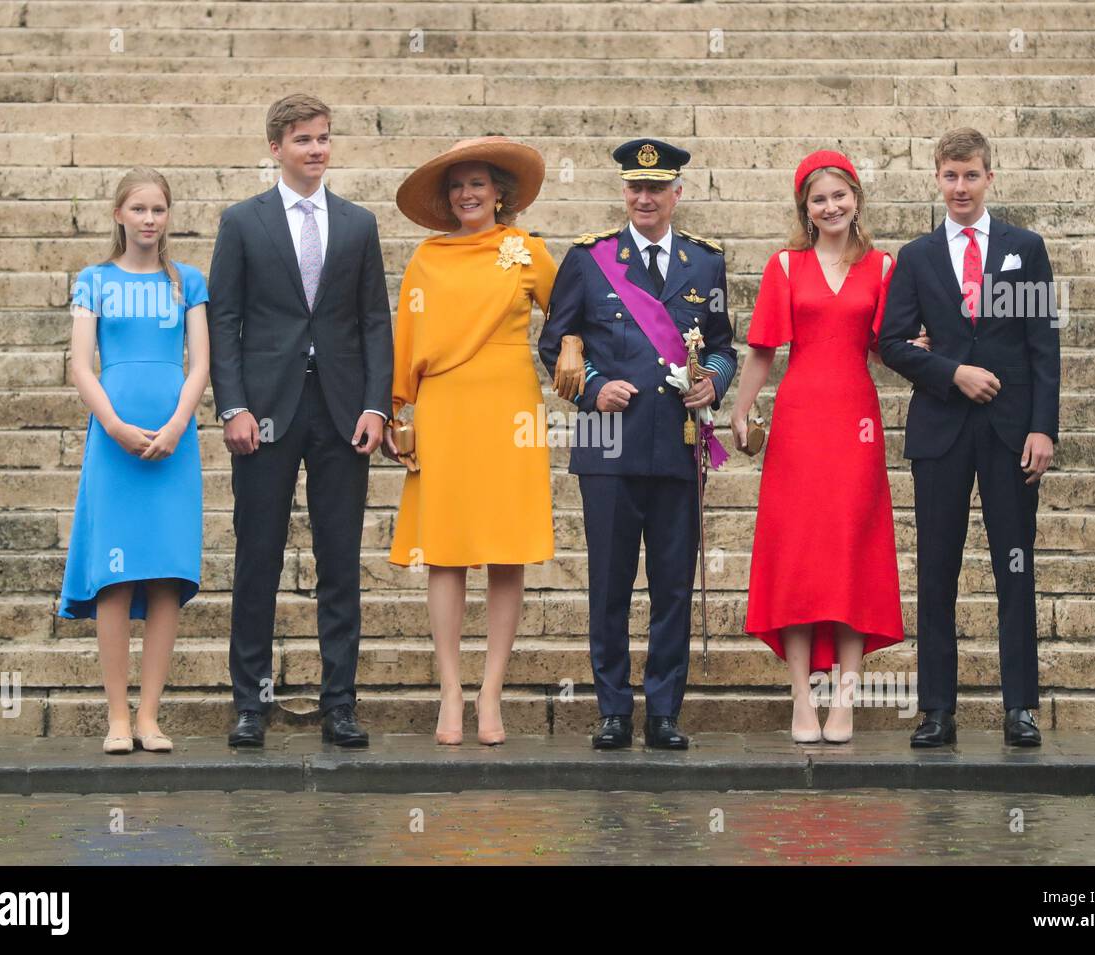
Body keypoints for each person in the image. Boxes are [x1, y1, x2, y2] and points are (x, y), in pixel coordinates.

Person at [207, 94, 394, 748]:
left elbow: (375, 320)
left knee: (339, 560)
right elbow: (222, 320)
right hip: (263, 412)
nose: (316, 149)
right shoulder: (242, 222)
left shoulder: (357, 223)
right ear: (276, 148)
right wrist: (232, 406)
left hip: (343, 412)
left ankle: (340, 703)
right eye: (303, 140)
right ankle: (250, 705)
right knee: (258, 556)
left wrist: (377, 403)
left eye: (323, 138)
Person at [538, 139, 737, 750]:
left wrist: (715, 384)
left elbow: (726, 345)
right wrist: (592, 387)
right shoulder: (590, 259)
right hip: (607, 443)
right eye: (635, 188)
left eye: (657, 188)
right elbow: (554, 343)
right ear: (624, 192)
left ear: (678, 193)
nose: (644, 198)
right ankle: (614, 710)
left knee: (673, 584)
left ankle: (666, 711)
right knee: (611, 582)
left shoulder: (705, 264)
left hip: (676, 443)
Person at [879, 128, 1060, 748]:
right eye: (950, 176)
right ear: (937, 178)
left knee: (1015, 565)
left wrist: (1043, 426)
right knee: (937, 570)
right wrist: (951, 372)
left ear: (989, 178)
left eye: (971, 175)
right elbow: (892, 342)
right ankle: (937, 710)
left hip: (1012, 433)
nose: (960, 187)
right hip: (942, 430)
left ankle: (1020, 709)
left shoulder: (1025, 248)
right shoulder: (916, 256)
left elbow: (1043, 345)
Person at [732, 151, 914, 744]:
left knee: (852, 552)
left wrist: (927, 349)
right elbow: (762, 348)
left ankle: (845, 700)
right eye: (819, 199)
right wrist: (739, 407)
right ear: (804, 209)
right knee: (799, 555)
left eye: (840, 195)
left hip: (856, 422)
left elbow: (888, 348)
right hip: (799, 422)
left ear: (856, 198)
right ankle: (801, 701)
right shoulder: (785, 265)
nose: (831, 206)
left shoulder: (884, 266)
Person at [387, 137, 555, 746]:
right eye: (457, 185)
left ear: (500, 193)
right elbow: (406, 335)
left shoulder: (528, 251)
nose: (467, 194)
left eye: (478, 183)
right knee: (447, 551)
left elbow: (569, 317)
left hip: (510, 406)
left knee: (507, 550)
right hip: (445, 408)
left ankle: (492, 693)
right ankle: (451, 692)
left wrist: (578, 349)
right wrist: (395, 408)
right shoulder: (426, 259)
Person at [60, 167, 209, 755]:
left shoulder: (188, 281)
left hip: (175, 443)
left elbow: (199, 364)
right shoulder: (93, 280)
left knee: (167, 575)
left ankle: (150, 716)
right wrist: (114, 424)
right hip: (113, 440)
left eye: (159, 209)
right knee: (115, 579)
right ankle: (117, 717)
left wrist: (177, 424)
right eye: (139, 209)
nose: (150, 219)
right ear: (119, 214)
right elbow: (79, 364)